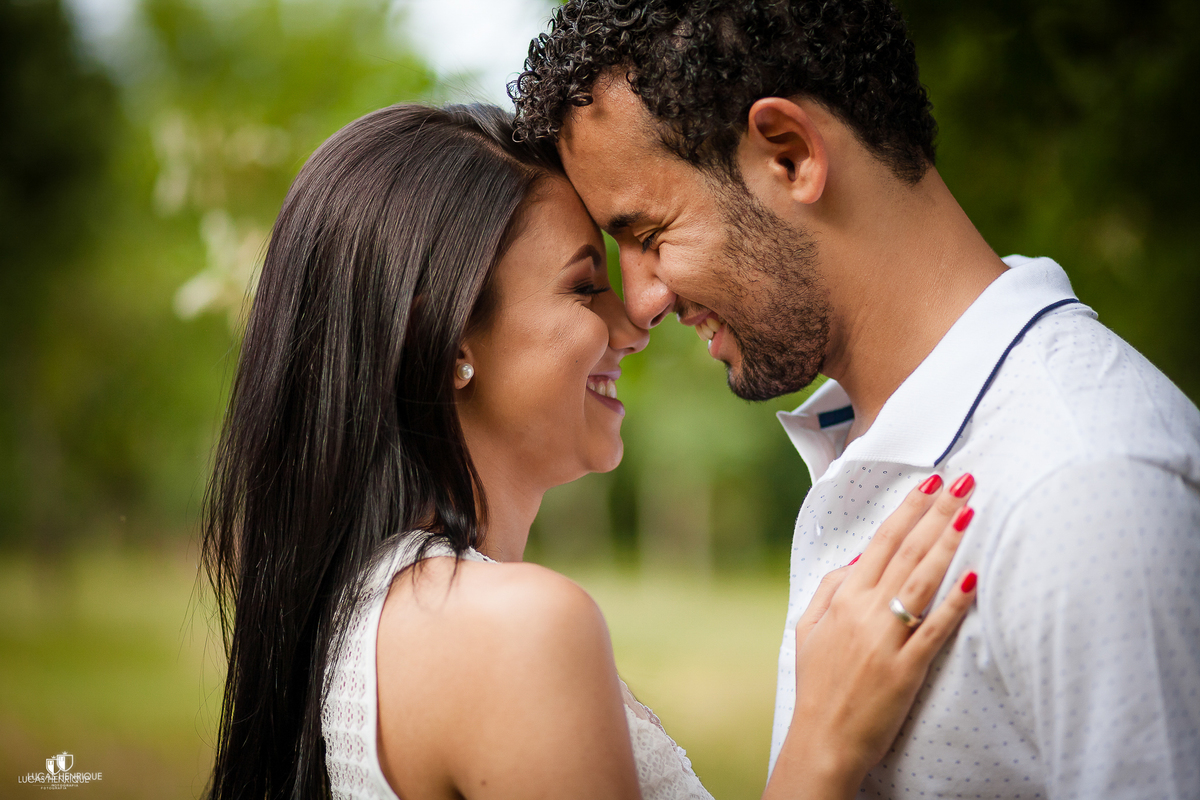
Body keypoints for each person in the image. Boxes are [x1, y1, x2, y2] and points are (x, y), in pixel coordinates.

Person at [509, 1, 1200, 798]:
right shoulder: (875, 438)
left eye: (651, 235)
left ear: (792, 155)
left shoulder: (1088, 488)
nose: (640, 303)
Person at [201, 102, 981, 800]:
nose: (635, 324)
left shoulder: (361, 615)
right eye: (583, 288)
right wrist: (824, 748)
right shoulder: (515, 630)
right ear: (436, 338)